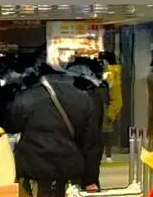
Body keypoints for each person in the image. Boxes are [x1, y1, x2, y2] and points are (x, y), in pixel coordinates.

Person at [6, 65, 101, 197]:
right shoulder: (84, 99)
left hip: (34, 172)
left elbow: (11, 126)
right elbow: (91, 144)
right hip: (69, 173)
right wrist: (91, 179)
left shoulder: (26, 97)